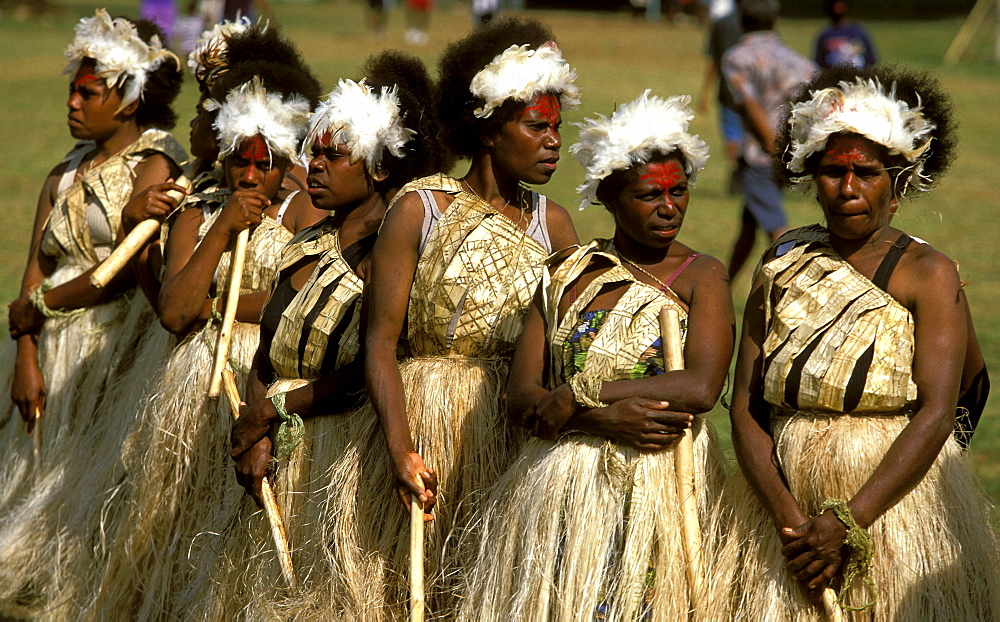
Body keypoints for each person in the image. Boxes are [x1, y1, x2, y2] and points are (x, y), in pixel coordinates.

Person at [724, 65, 999, 620]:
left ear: (897, 182)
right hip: (784, 508)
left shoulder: (928, 272)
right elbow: (745, 405)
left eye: (866, 173)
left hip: (888, 506)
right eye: (832, 172)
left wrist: (850, 520)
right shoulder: (781, 262)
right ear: (809, 174)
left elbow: (941, 410)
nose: (847, 188)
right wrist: (792, 523)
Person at [459, 91, 735, 620]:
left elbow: (700, 387)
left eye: (678, 191)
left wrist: (577, 394)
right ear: (609, 196)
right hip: (566, 491)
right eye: (648, 194)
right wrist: (601, 419)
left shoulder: (703, 275)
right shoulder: (567, 274)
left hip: (660, 487)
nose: (668, 207)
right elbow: (520, 397)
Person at [345, 15, 580, 617]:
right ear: (488, 129)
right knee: (405, 592)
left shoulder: (552, 227)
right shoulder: (420, 209)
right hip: (423, 423)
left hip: (513, 431)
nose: (554, 140)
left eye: (557, 127)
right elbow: (380, 342)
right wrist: (400, 447)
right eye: (536, 126)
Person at [89, 24, 323, 619]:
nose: (249, 175)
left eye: (262, 162)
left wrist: (219, 306)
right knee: (185, 513)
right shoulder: (199, 211)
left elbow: (293, 307)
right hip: (194, 389)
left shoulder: (305, 213)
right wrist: (223, 230)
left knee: (255, 519)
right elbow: (173, 312)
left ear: (284, 160)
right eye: (238, 161)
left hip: (263, 381)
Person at [203, 50, 447, 619]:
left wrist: (278, 408)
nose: (314, 165)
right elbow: (268, 346)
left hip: (345, 460)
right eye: (313, 152)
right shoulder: (306, 243)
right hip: (283, 452)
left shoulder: (391, 252)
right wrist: (256, 425)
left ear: (379, 169)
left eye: (333, 156)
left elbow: (376, 363)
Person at [0, 10, 186, 617]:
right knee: (37, 466)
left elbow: (114, 278)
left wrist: (39, 308)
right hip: (47, 344)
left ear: (129, 101)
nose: (74, 102)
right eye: (72, 91)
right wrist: (26, 351)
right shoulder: (63, 172)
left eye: (90, 92)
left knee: (91, 477)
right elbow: (36, 261)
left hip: (113, 351)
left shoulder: (158, 164)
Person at [721, 0, 815, 279]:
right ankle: (724, 284)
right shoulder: (795, 59)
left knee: (776, 227)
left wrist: (770, 142)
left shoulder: (737, 58)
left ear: (741, 21)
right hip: (789, 151)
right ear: (774, 21)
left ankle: (798, 281)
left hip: (761, 154)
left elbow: (748, 103)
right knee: (749, 225)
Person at [697, 0, 742, 195]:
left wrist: (705, 92)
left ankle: (735, 170)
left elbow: (714, 60)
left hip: (727, 91)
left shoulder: (722, 23)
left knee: (732, 133)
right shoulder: (759, 22)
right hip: (756, 92)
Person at [813, 0, 876, 70]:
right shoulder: (825, 35)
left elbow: (871, 60)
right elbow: (818, 64)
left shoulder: (859, 32)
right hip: (835, 79)